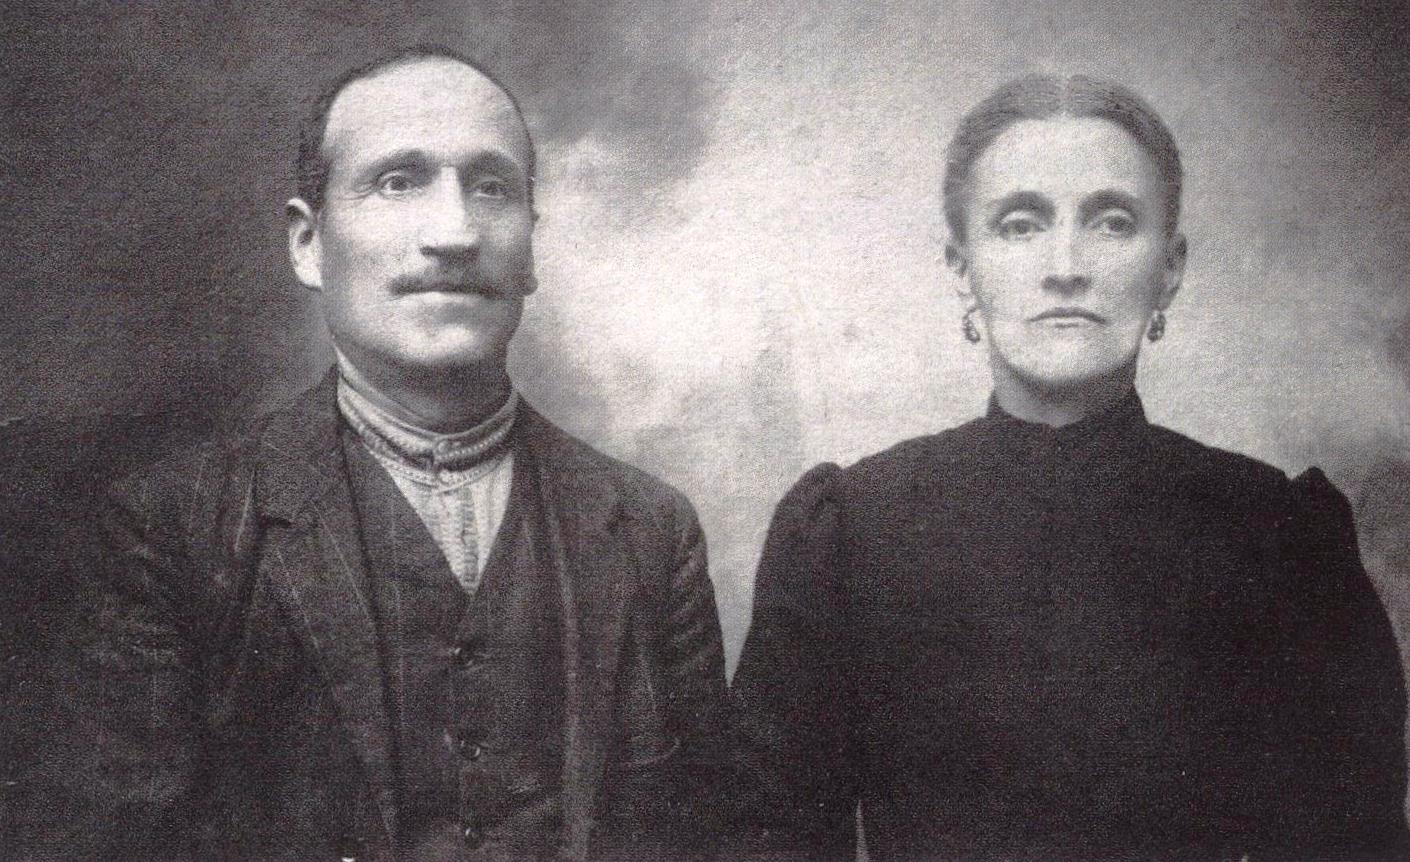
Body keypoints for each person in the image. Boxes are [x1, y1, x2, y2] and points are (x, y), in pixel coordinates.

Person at [29, 45, 727, 862]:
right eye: (398, 182)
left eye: (491, 187)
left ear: (531, 250)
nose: (455, 232)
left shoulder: (651, 530)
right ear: (307, 244)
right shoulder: (171, 529)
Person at [729, 74, 1408, 862]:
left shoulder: (1280, 537)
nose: (1066, 266)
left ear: (1170, 268)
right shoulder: (849, 533)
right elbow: (767, 837)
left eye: (1113, 222)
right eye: (1020, 225)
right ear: (961, 268)